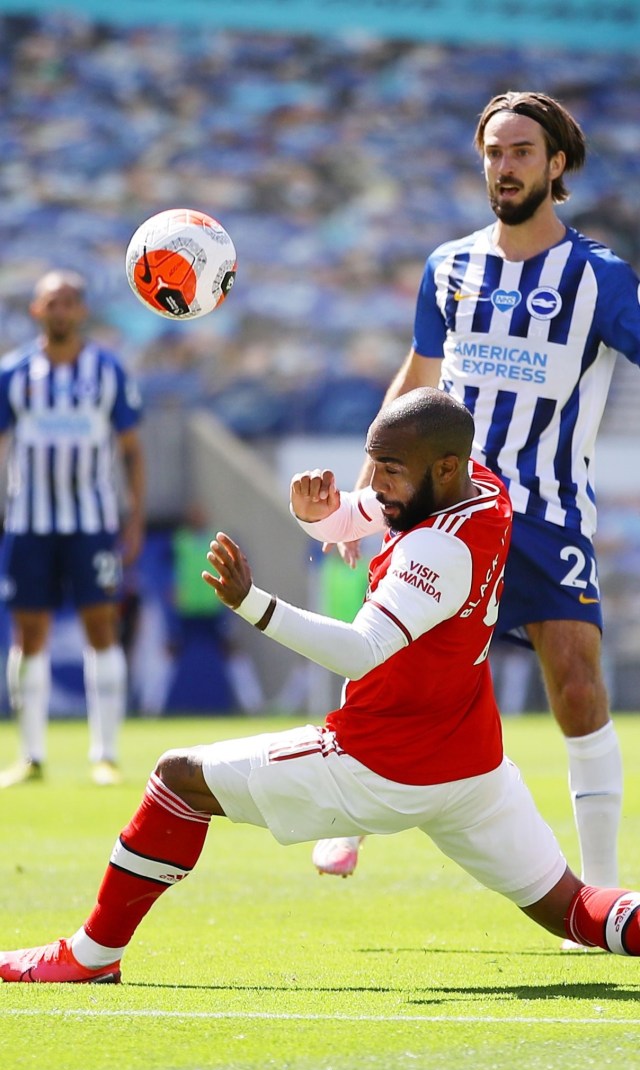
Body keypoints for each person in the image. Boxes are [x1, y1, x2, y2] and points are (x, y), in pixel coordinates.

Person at [3, 387, 640, 983]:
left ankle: (90, 956)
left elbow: (361, 653)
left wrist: (253, 604)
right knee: (578, 910)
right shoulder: (483, 489)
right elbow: (362, 513)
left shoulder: (438, 552)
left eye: (391, 470)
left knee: (177, 778)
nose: (378, 485)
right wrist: (321, 518)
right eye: (374, 464)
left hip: (379, 762)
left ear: (444, 468)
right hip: (471, 766)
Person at [312, 92, 640, 926]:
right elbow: (415, 385)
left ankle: (598, 895)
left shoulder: (598, 279)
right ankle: (342, 812)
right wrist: (370, 493)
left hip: (547, 514)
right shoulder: (450, 266)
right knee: (391, 668)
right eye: (494, 152)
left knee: (575, 682)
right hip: (446, 511)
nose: (505, 166)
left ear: (557, 164)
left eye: (523, 152)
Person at [0, 269, 144, 788]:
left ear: (81, 311)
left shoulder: (108, 372)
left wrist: (134, 519)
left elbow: (130, 452)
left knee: (101, 627)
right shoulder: (13, 373)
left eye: (68, 302)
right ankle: (30, 755)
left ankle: (105, 753)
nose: (59, 310)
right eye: (50, 302)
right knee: (28, 633)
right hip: (29, 521)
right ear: (36, 310)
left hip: (92, 521)